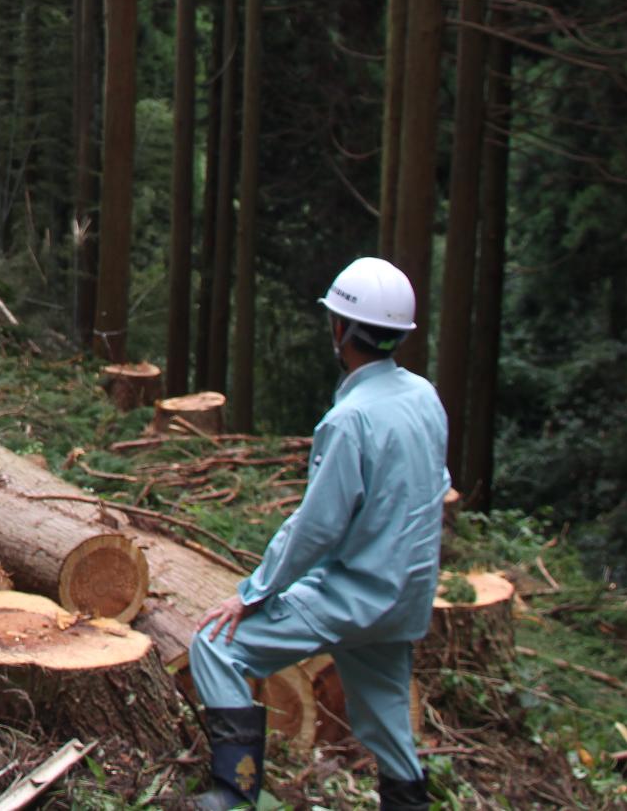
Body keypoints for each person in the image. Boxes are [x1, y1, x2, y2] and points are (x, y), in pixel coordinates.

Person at [186, 256, 449, 811]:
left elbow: (317, 527)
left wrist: (254, 592)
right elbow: (435, 490)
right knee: (386, 722)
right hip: (404, 599)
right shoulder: (425, 397)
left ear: (339, 328)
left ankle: (235, 792)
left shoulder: (349, 420)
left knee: (214, 648)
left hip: (351, 594)